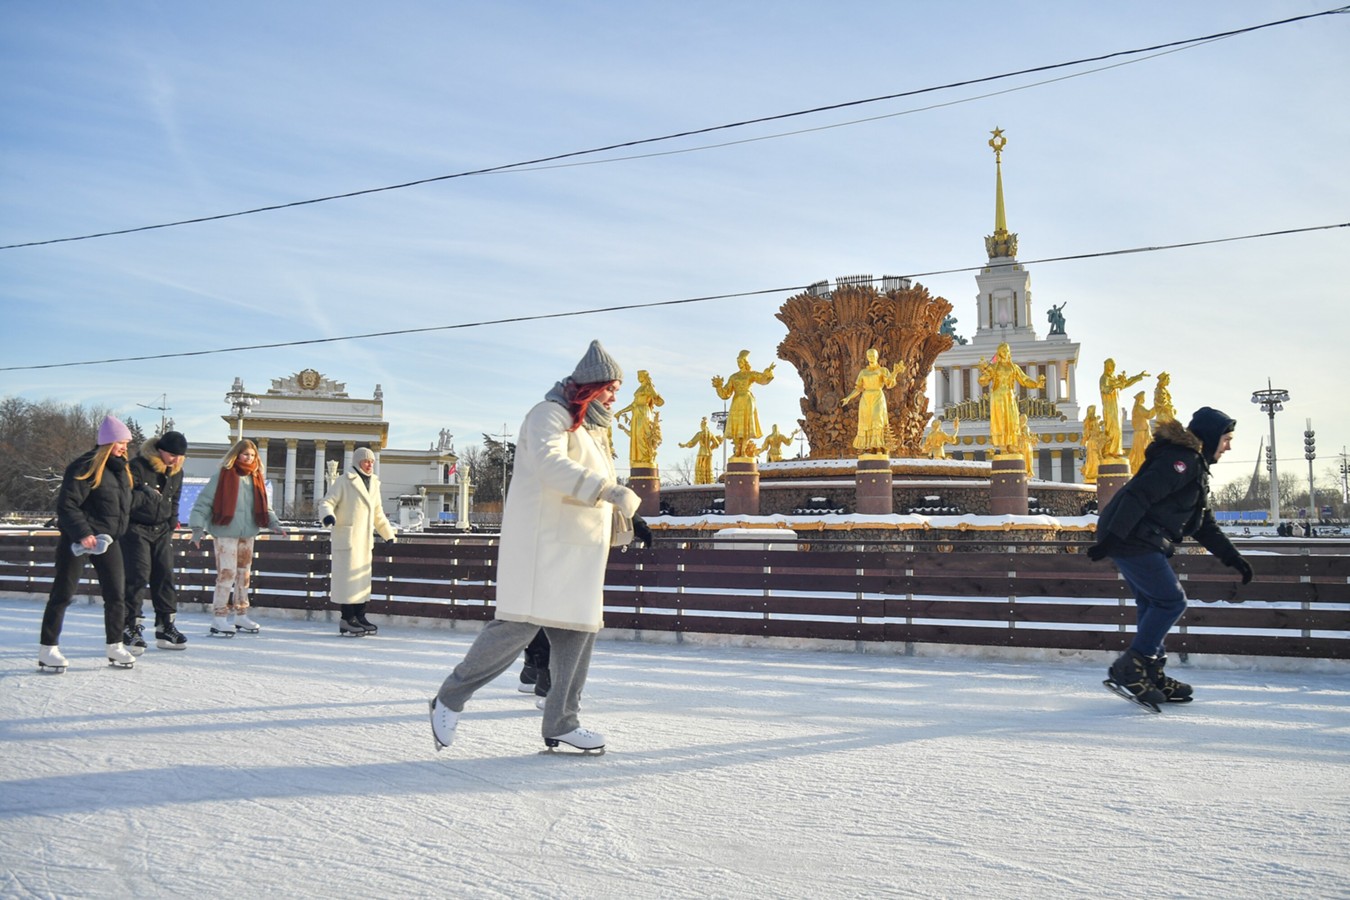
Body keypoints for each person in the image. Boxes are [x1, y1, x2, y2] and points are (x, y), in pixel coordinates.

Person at [429, 340, 641, 754]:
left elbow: (600, 488)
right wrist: (607, 490)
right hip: (544, 547)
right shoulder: (549, 414)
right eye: (611, 387)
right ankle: (449, 698)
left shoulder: (591, 427)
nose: (616, 396)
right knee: (517, 627)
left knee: (580, 632)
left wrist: (631, 519)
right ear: (591, 385)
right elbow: (549, 464)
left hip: (579, 548)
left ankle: (562, 722)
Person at [1088, 407, 1253, 709]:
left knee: (1153, 603)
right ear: (1212, 436)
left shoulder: (1196, 466)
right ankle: (1130, 667)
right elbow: (1139, 495)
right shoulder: (1181, 461)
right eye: (1226, 439)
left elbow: (1203, 524)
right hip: (1130, 536)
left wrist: (1233, 558)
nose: (1229, 446)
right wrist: (1111, 539)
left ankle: (1150, 672)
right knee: (1171, 601)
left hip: (1135, 537)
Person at [38, 415, 139, 671]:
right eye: (120, 442)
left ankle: (115, 645)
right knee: (63, 592)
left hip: (108, 541)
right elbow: (68, 504)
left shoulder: (122, 472)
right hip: (80, 541)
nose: (125, 447)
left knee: (117, 594)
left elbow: (118, 508)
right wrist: (83, 533)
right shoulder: (84, 466)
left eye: (126, 442)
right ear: (107, 442)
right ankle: (48, 648)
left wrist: (147, 497)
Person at [189, 439, 286, 637]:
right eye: (245, 454)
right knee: (227, 574)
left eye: (251, 455)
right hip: (225, 532)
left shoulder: (256, 477)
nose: (248, 458)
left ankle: (241, 615)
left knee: (244, 575)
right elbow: (203, 502)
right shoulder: (223, 476)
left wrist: (274, 523)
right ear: (237, 455)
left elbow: (265, 506)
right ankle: (219, 617)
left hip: (248, 533)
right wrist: (197, 528)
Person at [122, 430, 189, 652]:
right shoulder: (138, 466)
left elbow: (175, 498)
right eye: (172, 455)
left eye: (180, 456)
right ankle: (130, 626)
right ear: (160, 450)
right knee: (138, 575)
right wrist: (143, 491)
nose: (176, 460)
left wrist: (172, 520)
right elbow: (125, 498)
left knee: (165, 575)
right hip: (136, 528)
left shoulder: (177, 472)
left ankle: (165, 626)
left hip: (161, 529)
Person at [320, 446, 397, 636]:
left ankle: (360, 615)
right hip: (348, 538)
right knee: (348, 581)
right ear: (357, 462)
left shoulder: (375, 483)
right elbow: (326, 502)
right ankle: (347, 618)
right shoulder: (344, 480)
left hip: (364, 541)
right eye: (366, 461)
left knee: (361, 580)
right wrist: (328, 517)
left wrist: (388, 534)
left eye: (372, 461)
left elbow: (378, 513)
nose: (370, 464)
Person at [977, 342, 1044, 454]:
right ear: (999, 353)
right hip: (998, 396)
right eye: (1003, 350)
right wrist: (983, 372)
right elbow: (983, 381)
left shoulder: (1014, 367)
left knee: (1012, 420)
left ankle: (1011, 445)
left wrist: (1036, 384)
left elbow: (1024, 379)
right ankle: (1003, 447)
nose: (1006, 352)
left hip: (1009, 395)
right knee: (1001, 421)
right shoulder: (994, 367)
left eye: (1007, 350)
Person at [840, 348, 904, 456]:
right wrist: (848, 398)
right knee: (866, 422)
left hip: (878, 396)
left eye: (873, 356)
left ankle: (879, 448)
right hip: (866, 398)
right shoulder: (863, 372)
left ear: (877, 356)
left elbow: (889, 384)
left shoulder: (882, 370)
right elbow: (859, 388)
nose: (871, 358)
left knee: (877, 419)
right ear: (866, 357)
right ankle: (869, 447)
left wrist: (895, 373)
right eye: (869, 356)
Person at [711, 350, 775, 459]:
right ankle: (737, 451)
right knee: (736, 427)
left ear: (745, 362)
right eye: (738, 362)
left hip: (747, 401)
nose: (739, 364)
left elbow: (763, 379)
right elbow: (726, 394)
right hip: (736, 402)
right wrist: (718, 387)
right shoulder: (733, 377)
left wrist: (768, 372)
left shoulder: (751, 374)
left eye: (741, 361)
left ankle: (743, 451)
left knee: (745, 426)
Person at [1098, 357, 1148, 459]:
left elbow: (1126, 383)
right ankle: (1109, 451)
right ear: (1107, 366)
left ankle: (1115, 451)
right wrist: (1116, 385)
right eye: (1111, 365)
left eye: (1113, 365)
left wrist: (1139, 376)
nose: (1112, 367)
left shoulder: (1113, 378)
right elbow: (1105, 389)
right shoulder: (1104, 378)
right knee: (1112, 428)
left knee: (1118, 428)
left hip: (1116, 407)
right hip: (1109, 408)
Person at [613, 369, 664, 468]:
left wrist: (651, 387)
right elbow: (633, 404)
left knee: (643, 435)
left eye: (640, 376)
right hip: (636, 413)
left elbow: (659, 401)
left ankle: (646, 458)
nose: (638, 378)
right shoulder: (639, 388)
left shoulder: (649, 387)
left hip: (644, 412)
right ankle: (639, 459)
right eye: (637, 376)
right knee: (636, 435)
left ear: (644, 377)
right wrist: (620, 412)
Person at [678, 417, 723, 484]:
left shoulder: (700, 434)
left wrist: (684, 445)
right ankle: (708, 482)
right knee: (708, 468)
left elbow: (692, 442)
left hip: (701, 453)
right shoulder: (711, 434)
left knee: (700, 468)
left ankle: (701, 482)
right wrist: (711, 448)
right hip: (709, 453)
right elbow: (717, 444)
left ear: (702, 425)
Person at [1126, 391, 1155, 474]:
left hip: (1142, 433)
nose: (1144, 399)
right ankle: (1140, 466)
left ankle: (1140, 465)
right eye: (1143, 398)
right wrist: (1157, 406)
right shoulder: (1139, 407)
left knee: (1141, 450)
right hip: (1141, 433)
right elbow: (1149, 415)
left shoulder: (1137, 408)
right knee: (1141, 450)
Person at [1080, 405, 1103, 483]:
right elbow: (1087, 432)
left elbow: (1097, 430)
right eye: (1093, 410)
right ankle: (1092, 472)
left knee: (1097, 458)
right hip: (1092, 442)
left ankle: (1096, 472)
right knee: (1093, 458)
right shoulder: (1088, 421)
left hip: (1096, 441)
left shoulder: (1094, 420)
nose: (1094, 412)